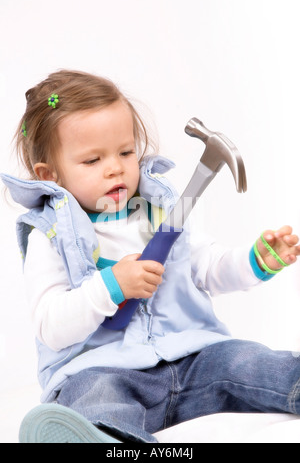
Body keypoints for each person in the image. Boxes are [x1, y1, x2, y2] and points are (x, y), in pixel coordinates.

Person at [2, 70, 300, 443]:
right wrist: (111, 286)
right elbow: (51, 325)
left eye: (125, 152)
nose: (115, 167)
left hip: (193, 360)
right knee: (96, 399)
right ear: (51, 175)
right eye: (93, 160)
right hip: (106, 370)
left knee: (247, 360)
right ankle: (105, 439)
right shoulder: (49, 237)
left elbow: (207, 268)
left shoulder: (158, 209)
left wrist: (256, 261)